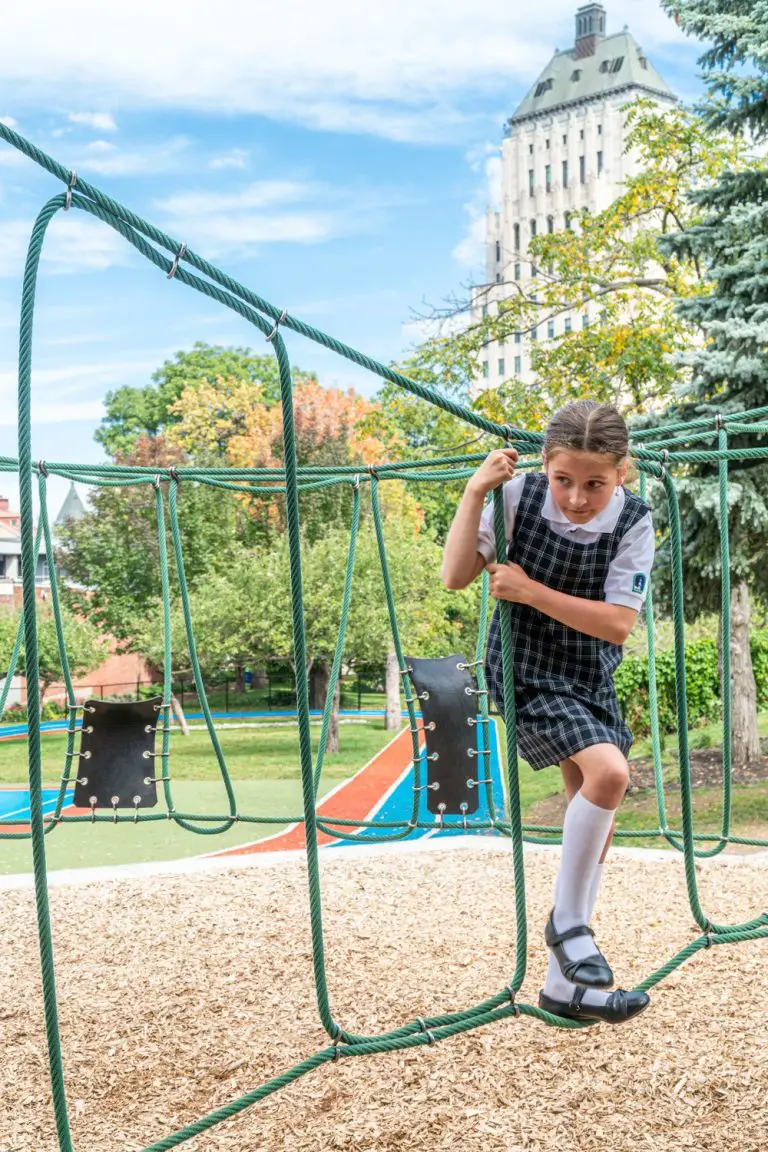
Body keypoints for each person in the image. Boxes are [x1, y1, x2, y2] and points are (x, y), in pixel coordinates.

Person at [441, 400, 654, 1024]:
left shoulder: (634, 521)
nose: (578, 497)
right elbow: (456, 575)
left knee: (594, 817)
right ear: (544, 466)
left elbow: (617, 625)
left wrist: (529, 589)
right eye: (564, 480)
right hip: (526, 670)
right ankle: (569, 926)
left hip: (590, 675)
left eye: (595, 483)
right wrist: (476, 491)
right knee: (610, 774)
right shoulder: (517, 499)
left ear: (621, 473)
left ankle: (563, 987)